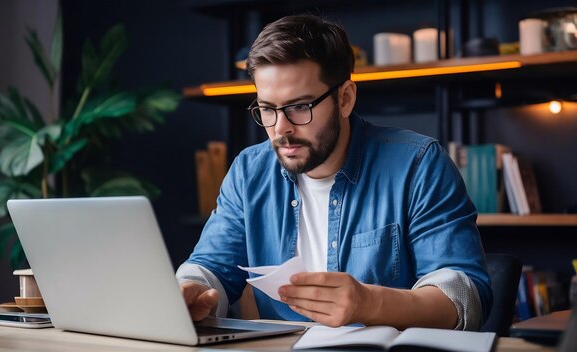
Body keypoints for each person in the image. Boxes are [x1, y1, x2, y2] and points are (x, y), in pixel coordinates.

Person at [177, 14, 491, 331]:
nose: (280, 128)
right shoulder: (249, 171)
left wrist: (370, 304)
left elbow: (464, 299)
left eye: (299, 106)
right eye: (267, 109)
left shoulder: (419, 164)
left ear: (345, 99)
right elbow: (211, 266)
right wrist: (189, 290)